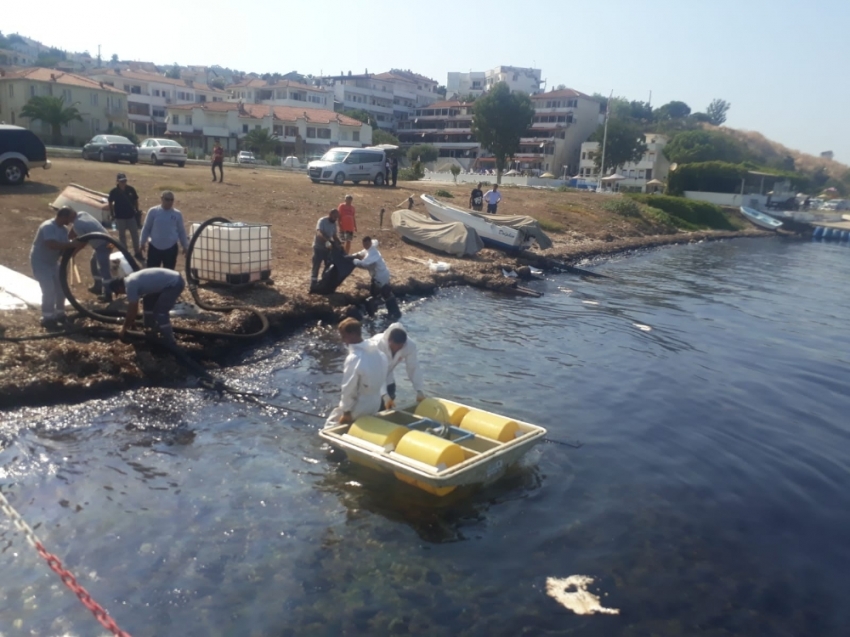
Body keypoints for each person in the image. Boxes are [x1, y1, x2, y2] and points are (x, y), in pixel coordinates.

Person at [326, 317, 389, 426]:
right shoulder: (379, 353)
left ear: (353, 334)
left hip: (360, 404)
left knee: (330, 426)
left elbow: (348, 388)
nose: (342, 340)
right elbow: (382, 377)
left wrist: (346, 411)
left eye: (344, 336)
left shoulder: (354, 358)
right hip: (375, 403)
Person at [30, 207, 81, 328]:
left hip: (53, 262)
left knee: (61, 288)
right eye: (70, 218)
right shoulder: (48, 226)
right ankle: (47, 317)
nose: (72, 220)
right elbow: (51, 244)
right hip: (40, 262)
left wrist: (72, 248)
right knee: (49, 289)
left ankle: (60, 313)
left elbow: (63, 248)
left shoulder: (64, 230)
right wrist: (70, 244)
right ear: (63, 216)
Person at [110, 268, 186, 347]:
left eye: (119, 292)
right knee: (147, 300)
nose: (123, 294)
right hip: (173, 278)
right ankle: (150, 328)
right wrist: (132, 321)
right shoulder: (130, 279)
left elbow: (132, 310)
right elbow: (135, 307)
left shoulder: (130, 286)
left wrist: (124, 328)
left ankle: (170, 341)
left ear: (119, 287)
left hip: (174, 284)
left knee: (160, 312)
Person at [368, 322, 426, 409]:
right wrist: (384, 394)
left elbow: (413, 367)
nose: (398, 349)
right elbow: (376, 372)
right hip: (369, 377)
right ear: (389, 340)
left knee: (389, 402)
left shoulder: (409, 345)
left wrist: (419, 389)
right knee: (370, 407)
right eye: (396, 346)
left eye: (401, 347)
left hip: (388, 376)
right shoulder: (376, 345)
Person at [67, 208, 112, 301]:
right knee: (93, 262)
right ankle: (98, 286)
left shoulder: (78, 225)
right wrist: (70, 235)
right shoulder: (82, 213)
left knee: (104, 270)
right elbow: (74, 230)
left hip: (102, 245)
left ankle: (108, 294)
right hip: (106, 240)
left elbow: (83, 243)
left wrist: (73, 253)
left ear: (69, 217)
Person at [351, 236, 400, 318]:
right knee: (386, 293)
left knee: (376, 295)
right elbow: (363, 252)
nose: (365, 246)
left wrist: (354, 260)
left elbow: (364, 264)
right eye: (364, 245)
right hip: (384, 274)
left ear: (370, 243)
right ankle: (392, 312)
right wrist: (354, 255)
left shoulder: (372, 255)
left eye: (366, 244)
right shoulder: (372, 246)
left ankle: (372, 315)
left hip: (379, 277)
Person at [140, 191, 189, 270]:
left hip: (171, 249)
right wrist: (142, 242)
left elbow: (181, 231)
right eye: (167, 199)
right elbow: (146, 228)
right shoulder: (153, 211)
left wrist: (185, 246)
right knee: (152, 272)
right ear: (162, 199)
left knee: (169, 273)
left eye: (171, 200)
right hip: (154, 248)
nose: (169, 202)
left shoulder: (177, 214)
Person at [108, 173, 142, 260]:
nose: (123, 182)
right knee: (122, 236)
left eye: (124, 180)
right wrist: (112, 213)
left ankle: (137, 252)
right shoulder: (114, 192)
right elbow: (110, 202)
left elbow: (135, 200)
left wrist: (137, 210)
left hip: (131, 216)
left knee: (135, 234)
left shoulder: (131, 189)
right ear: (118, 181)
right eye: (122, 181)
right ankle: (125, 252)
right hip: (120, 217)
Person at [311, 209, 341, 288]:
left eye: (337, 217)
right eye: (334, 217)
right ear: (330, 214)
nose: (335, 219)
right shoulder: (322, 221)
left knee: (328, 265)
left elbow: (334, 235)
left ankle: (323, 281)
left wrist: (339, 243)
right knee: (316, 265)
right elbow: (319, 233)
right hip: (318, 247)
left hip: (327, 249)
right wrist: (326, 241)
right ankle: (313, 282)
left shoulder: (334, 224)